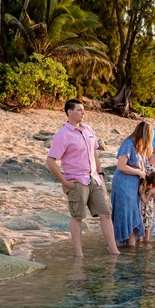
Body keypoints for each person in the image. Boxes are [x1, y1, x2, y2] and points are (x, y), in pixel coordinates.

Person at [46, 99, 120, 256]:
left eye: (83, 110)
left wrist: (99, 173)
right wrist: (64, 182)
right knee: (78, 217)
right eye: (79, 110)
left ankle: (114, 250)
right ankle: (79, 254)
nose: (83, 113)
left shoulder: (88, 130)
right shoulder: (62, 135)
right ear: (69, 112)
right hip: (77, 182)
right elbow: (50, 160)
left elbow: (94, 152)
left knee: (106, 214)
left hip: (94, 179)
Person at [111, 120, 152, 247]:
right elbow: (121, 165)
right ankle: (119, 247)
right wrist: (139, 172)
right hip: (123, 184)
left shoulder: (138, 147)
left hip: (133, 187)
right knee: (124, 215)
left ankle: (130, 250)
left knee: (133, 217)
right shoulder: (128, 144)